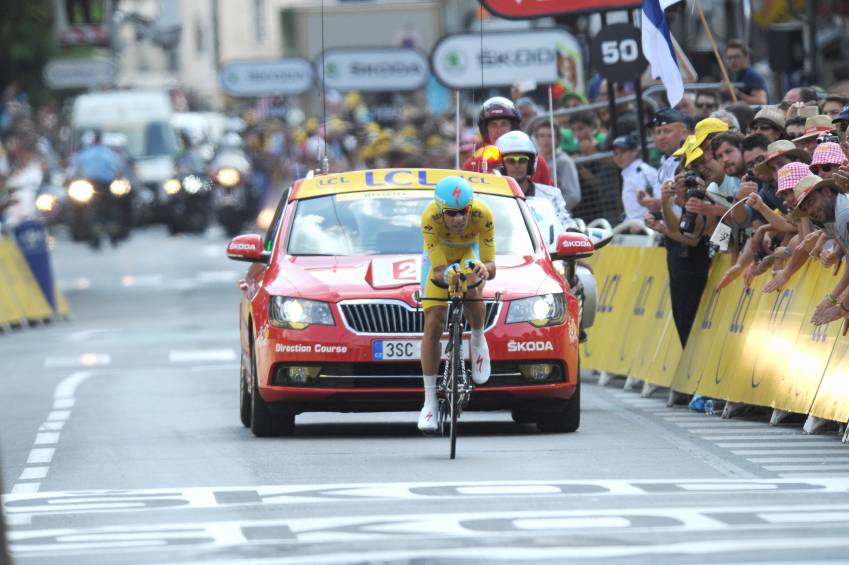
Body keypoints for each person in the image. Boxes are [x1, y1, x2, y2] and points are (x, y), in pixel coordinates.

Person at [417, 176, 495, 433]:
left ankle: (477, 339)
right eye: (452, 214)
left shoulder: (483, 214)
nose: (460, 219)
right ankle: (429, 402)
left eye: (464, 212)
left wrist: (484, 269)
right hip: (439, 257)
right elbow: (438, 271)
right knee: (433, 320)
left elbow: (491, 267)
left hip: (467, 253)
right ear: (441, 212)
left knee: (473, 286)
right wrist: (448, 274)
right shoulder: (430, 218)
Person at [462, 96, 552, 185]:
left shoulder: (536, 162)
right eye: (493, 125)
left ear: (514, 127)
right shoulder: (473, 164)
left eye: (504, 124)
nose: (499, 131)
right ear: (485, 130)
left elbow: (549, 196)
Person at [495, 130, 574, 230]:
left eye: (523, 160)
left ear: (531, 163)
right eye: (510, 160)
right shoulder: (493, 198)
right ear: (501, 165)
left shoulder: (551, 195)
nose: (517, 165)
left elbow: (565, 222)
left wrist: (572, 230)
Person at [531, 120, 581, 212]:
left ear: (557, 139)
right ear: (536, 138)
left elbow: (573, 196)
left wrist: (552, 210)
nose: (546, 140)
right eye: (542, 136)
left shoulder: (564, 161)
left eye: (550, 136)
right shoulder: (531, 160)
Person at [611, 133, 659, 223]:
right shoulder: (629, 173)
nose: (618, 157)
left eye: (622, 152)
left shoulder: (642, 172)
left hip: (647, 228)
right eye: (615, 153)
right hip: (634, 227)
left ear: (634, 151)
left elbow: (655, 203)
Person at [723, 39, 768, 105]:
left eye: (737, 57)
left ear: (746, 57)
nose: (732, 61)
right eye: (729, 58)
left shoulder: (752, 76)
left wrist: (736, 93)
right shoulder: (733, 74)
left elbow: (761, 101)